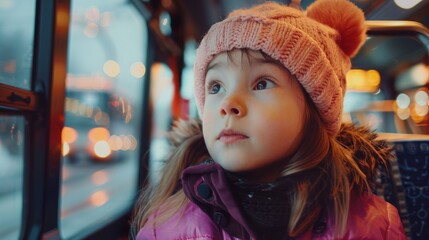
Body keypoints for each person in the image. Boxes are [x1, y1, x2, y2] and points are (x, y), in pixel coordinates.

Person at [131, 0, 406, 239]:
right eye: (215, 87)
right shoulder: (167, 225)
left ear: (314, 110)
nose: (228, 104)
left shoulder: (371, 225)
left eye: (262, 83)